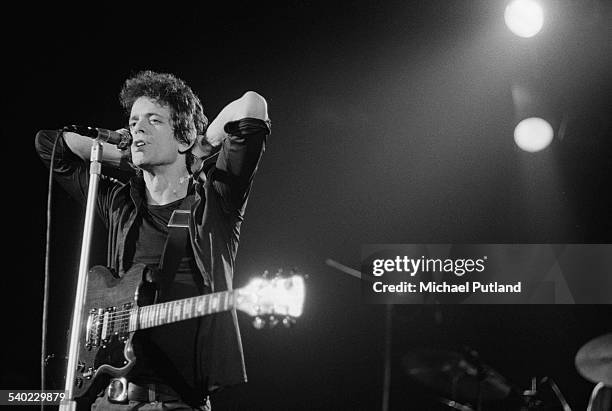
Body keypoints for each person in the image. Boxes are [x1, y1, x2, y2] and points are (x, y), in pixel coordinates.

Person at [35, 70, 270, 410]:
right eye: (133, 122)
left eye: (153, 120)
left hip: (175, 401)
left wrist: (202, 145)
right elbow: (49, 144)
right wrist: (124, 156)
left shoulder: (216, 200)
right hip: (109, 398)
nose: (137, 129)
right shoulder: (119, 203)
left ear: (183, 136)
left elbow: (252, 105)